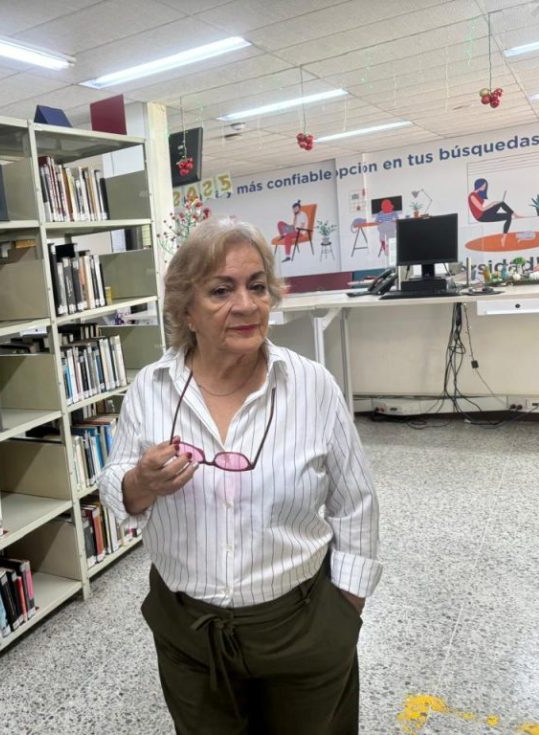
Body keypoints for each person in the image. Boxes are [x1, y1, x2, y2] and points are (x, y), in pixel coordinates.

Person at [99, 221, 381, 735]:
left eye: (257, 286)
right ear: (187, 310)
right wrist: (141, 482)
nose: (248, 305)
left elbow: (355, 500)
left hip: (301, 625)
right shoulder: (151, 388)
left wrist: (346, 612)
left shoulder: (311, 385)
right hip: (190, 634)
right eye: (221, 290)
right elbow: (117, 479)